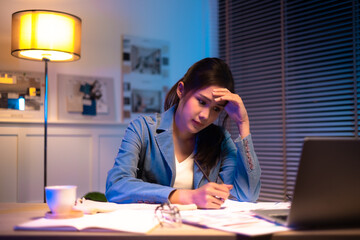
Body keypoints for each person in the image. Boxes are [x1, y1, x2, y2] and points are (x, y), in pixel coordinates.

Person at [106, 58, 261, 209]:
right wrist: (187, 197)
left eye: (216, 109)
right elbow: (116, 185)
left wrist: (243, 124)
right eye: (201, 102)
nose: (205, 116)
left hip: (195, 230)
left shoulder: (220, 139)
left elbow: (247, 195)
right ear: (181, 90)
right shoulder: (143, 128)